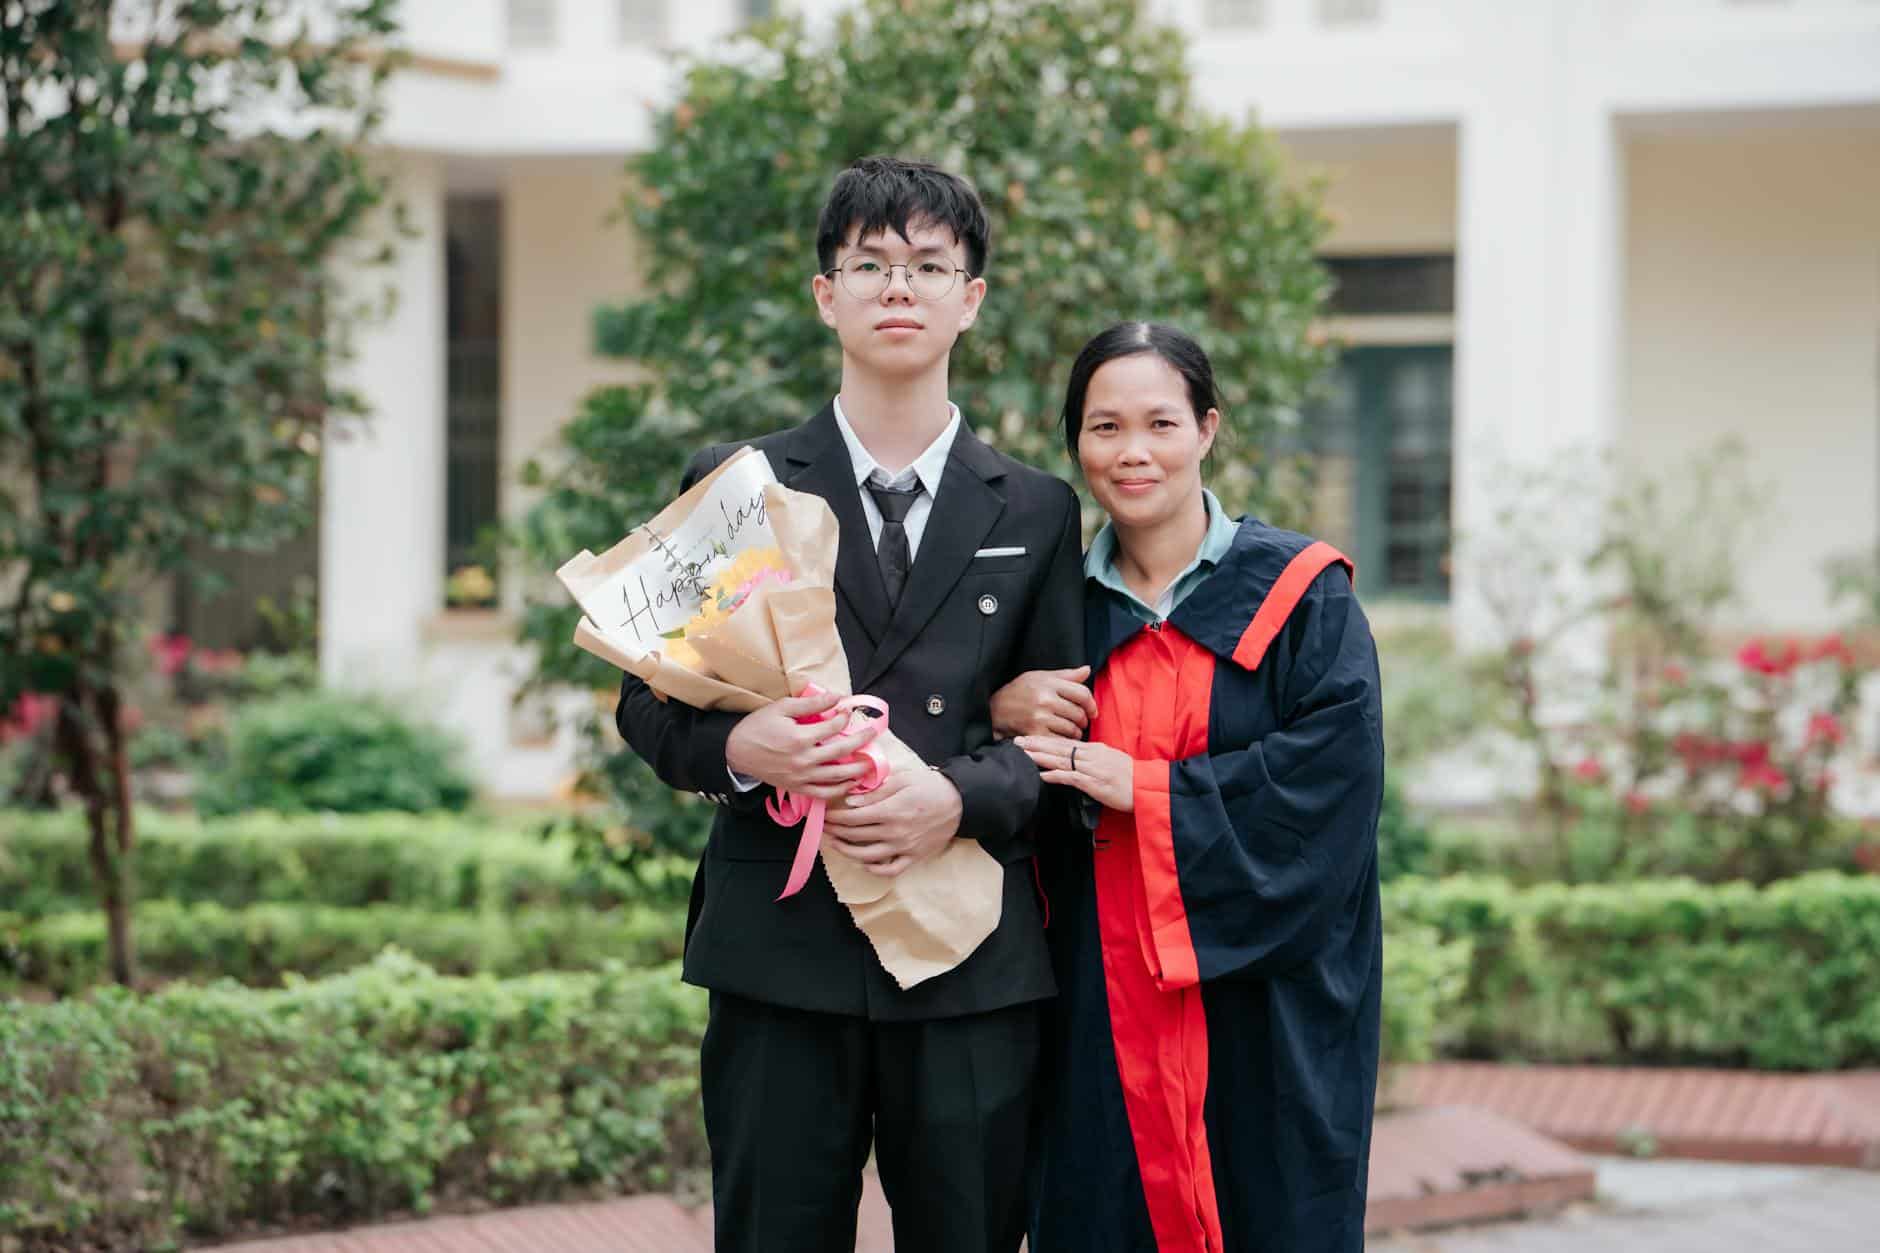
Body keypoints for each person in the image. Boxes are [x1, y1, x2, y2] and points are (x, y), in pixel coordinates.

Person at [613, 156, 1085, 1253]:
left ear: (970, 298)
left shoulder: (1039, 508)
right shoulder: (737, 479)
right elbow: (645, 704)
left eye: (928, 265)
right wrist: (744, 744)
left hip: (967, 951)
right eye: (868, 264)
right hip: (780, 950)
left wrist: (954, 801)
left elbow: (1068, 734)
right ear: (825, 293)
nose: (897, 287)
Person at [993, 322, 1385, 1253]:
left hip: (1263, 1006)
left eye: (1161, 423)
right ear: (1076, 444)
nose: (1133, 452)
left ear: (1208, 429)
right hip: (1096, 1000)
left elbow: (1335, 785)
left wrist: (1153, 792)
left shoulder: (1301, 596)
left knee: (1269, 1205)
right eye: (1104, 427)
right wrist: (999, 704)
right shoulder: (1052, 615)